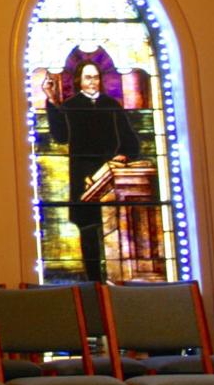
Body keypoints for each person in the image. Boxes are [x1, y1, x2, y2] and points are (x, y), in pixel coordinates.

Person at [42, 61, 140, 282]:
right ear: (79, 81)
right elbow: (60, 136)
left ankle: (119, 278)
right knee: (88, 229)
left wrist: (125, 154)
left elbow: (128, 138)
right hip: (83, 177)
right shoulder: (71, 106)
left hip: (112, 175)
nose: (92, 82)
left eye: (95, 77)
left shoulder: (111, 105)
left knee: (115, 228)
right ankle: (94, 281)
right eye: (88, 77)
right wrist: (50, 99)